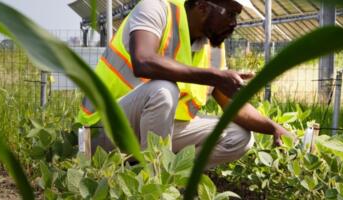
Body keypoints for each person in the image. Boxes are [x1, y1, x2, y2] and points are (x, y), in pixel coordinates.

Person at [77, 0, 293, 168]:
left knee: (239, 136)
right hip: (104, 130)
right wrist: (213, 76)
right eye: (230, 13)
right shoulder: (156, 8)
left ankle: (169, 180)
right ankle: (152, 187)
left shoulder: (214, 47)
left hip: (159, 131)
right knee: (164, 89)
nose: (234, 23)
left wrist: (273, 128)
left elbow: (233, 107)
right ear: (202, 6)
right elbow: (143, 61)